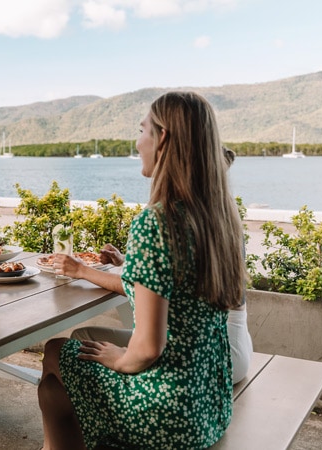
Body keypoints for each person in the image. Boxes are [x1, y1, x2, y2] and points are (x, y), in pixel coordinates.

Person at [38, 91, 246, 449]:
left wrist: (120, 359)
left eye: (142, 131)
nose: (137, 143)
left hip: (168, 411)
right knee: (54, 386)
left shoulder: (156, 222)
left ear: (162, 137)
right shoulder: (222, 219)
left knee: (57, 353)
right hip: (209, 405)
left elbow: (148, 348)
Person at [67, 146, 253, 386]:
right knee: (82, 342)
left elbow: (139, 289)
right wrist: (126, 262)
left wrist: (81, 270)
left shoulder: (169, 218)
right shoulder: (219, 214)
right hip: (233, 347)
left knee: (75, 346)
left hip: (211, 360)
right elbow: (181, 277)